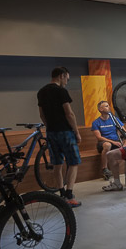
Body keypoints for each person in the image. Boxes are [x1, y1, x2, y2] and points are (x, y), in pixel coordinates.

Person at [37, 66, 82, 207]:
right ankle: (69, 195)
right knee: (73, 162)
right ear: (61, 76)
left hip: (51, 132)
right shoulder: (61, 91)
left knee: (57, 164)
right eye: (66, 79)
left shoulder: (41, 92)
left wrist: (49, 126)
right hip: (65, 131)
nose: (66, 82)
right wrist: (76, 132)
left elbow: (42, 114)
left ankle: (61, 194)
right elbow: (69, 113)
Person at [91, 100, 126, 180]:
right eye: (106, 106)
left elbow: (124, 131)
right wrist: (113, 142)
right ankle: (105, 169)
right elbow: (99, 137)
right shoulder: (96, 122)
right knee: (108, 145)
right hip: (103, 143)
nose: (109, 107)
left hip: (117, 141)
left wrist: (125, 142)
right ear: (101, 109)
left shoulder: (115, 119)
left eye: (108, 106)